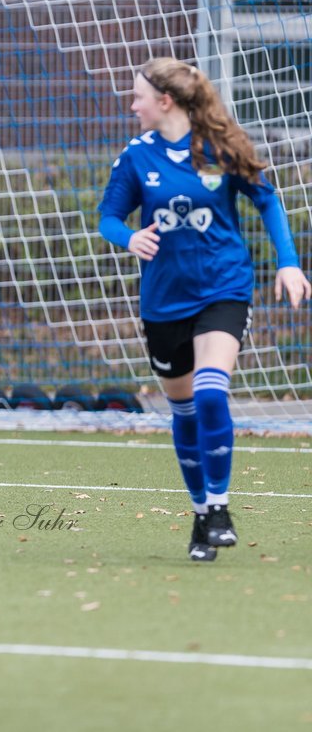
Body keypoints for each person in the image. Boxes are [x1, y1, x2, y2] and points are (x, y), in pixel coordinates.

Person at [98, 56, 310, 562]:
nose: (133, 105)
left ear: (164, 101)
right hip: (164, 301)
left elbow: (267, 199)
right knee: (185, 410)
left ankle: (219, 508)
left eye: (139, 97)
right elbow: (108, 216)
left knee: (212, 391)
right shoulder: (137, 156)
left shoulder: (220, 145)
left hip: (223, 289)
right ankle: (200, 512)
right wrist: (129, 238)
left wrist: (288, 263)